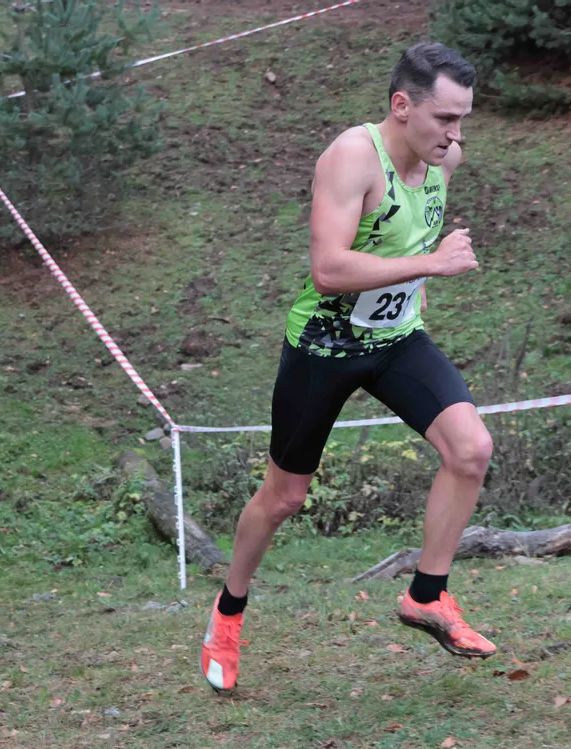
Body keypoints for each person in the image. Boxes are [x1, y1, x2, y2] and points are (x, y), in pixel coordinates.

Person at [200, 42, 496, 692]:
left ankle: (428, 595)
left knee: (471, 449)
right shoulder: (351, 158)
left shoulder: (445, 162)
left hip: (395, 343)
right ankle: (227, 613)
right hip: (324, 348)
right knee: (284, 497)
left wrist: (415, 286)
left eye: (462, 119)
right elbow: (329, 270)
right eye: (444, 118)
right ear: (401, 105)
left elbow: (408, 238)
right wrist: (430, 266)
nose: (455, 134)